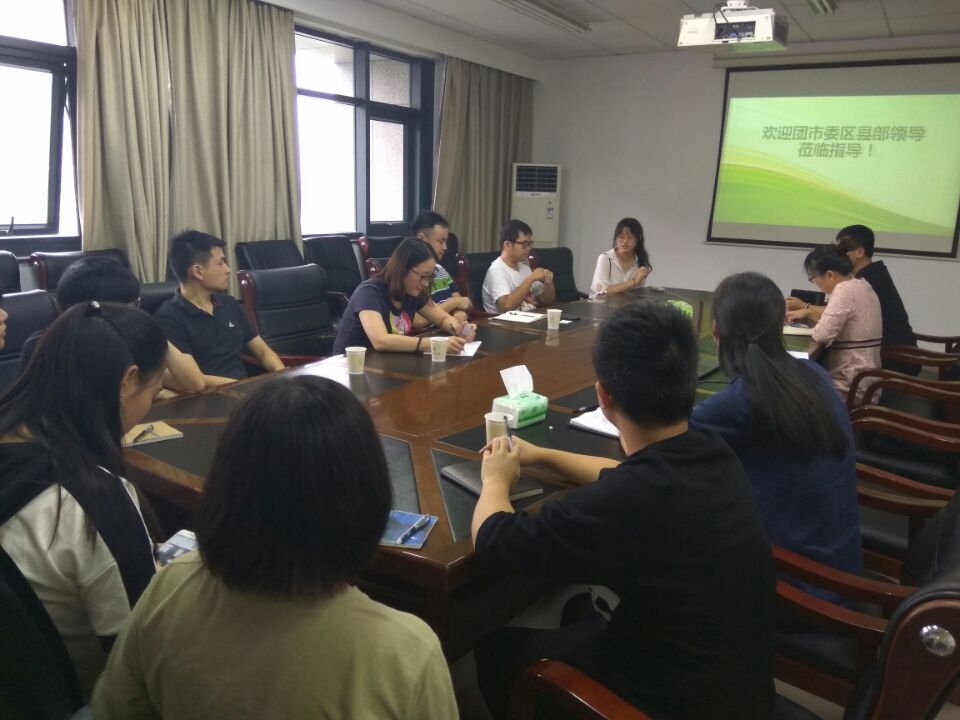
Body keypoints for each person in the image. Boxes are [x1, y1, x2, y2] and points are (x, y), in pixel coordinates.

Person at [472, 302, 775, 720]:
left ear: (603, 395)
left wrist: (495, 479)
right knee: (578, 610)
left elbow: (493, 541)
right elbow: (619, 473)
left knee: (496, 649)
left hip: (671, 701)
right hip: (738, 685)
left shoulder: (627, 500)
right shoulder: (711, 451)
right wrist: (541, 454)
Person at [92, 376, 458, 720]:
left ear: (224, 487)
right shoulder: (406, 653)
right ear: (367, 497)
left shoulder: (169, 588)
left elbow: (115, 707)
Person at [0, 302, 164, 700]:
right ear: (128, 381)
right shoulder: (93, 501)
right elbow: (142, 658)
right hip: (75, 697)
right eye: (154, 392)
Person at [690, 272, 861, 591]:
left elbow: (656, 455)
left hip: (797, 591)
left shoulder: (736, 403)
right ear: (782, 324)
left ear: (715, 331)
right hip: (841, 570)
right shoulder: (814, 372)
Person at [20, 256, 204, 394]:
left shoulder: (127, 339)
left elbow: (193, 383)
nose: (136, 312)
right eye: (131, 306)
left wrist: (156, 335)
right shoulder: (45, 347)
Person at [155, 230, 284, 387]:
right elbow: (195, 381)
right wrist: (244, 387)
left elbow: (263, 352)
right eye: (221, 263)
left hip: (243, 389)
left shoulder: (229, 304)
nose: (228, 269)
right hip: (209, 395)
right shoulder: (168, 318)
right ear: (198, 272)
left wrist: (283, 375)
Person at [333, 238, 473, 355]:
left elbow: (443, 319)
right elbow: (380, 340)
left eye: (429, 277)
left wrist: (457, 330)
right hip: (349, 366)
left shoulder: (412, 292)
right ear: (403, 269)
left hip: (385, 363)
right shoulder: (369, 292)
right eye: (422, 276)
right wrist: (433, 344)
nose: (425, 283)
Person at [787, 244, 882, 401]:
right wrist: (809, 313)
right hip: (867, 380)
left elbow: (822, 334)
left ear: (830, 274)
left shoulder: (843, 290)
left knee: (788, 390)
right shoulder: (863, 284)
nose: (816, 284)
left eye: (813, 279)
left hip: (848, 384)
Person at [410, 209, 472, 325]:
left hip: (449, 328)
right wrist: (454, 303)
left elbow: (461, 301)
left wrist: (458, 312)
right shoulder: (410, 274)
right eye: (441, 241)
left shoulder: (440, 269)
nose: (445, 247)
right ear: (421, 239)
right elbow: (418, 321)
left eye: (446, 242)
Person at [481, 219, 556, 313]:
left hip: (530, 318)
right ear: (507, 244)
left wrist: (548, 283)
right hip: (505, 321)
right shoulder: (496, 271)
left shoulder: (524, 268)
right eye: (524, 244)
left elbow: (547, 301)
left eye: (530, 244)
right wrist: (530, 279)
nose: (529, 248)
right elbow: (506, 306)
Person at [589, 217, 651, 298]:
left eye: (630, 237)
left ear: (638, 239)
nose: (625, 241)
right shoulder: (606, 258)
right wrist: (634, 281)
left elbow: (636, 294)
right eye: (621, 237)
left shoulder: (641, 262)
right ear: (616, 238)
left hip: (627, 304)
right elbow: (603, 292)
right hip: (601, 304)